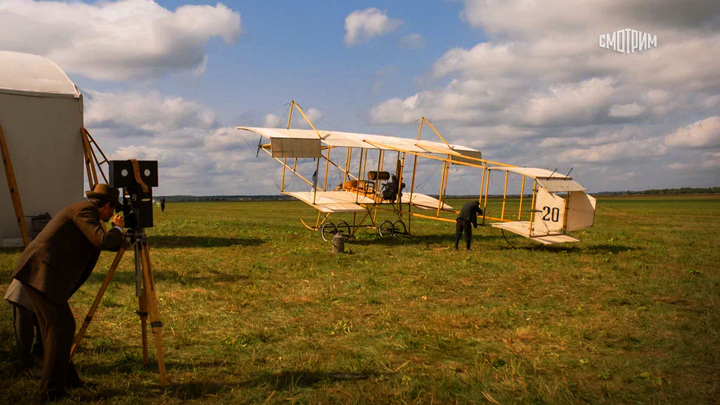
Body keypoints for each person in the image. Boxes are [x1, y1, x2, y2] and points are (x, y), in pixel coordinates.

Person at [11, 183, 125, 400]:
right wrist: (118, 229)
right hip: (41, 274)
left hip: (43, 274)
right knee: (61, 327)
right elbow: (101, 240)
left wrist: (117, 238)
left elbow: (99, 241)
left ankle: (66, 382)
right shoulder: (85, 211)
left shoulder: (84, 211)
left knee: (55, 329)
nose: (114, 214)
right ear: (107, 206)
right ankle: (51, 391)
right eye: (114, 210)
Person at [4, 278, 44, 378]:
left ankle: (38, 357)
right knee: (25, 334)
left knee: (44, 327)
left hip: (38, 296)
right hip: (21, 295)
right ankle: (26, 367)